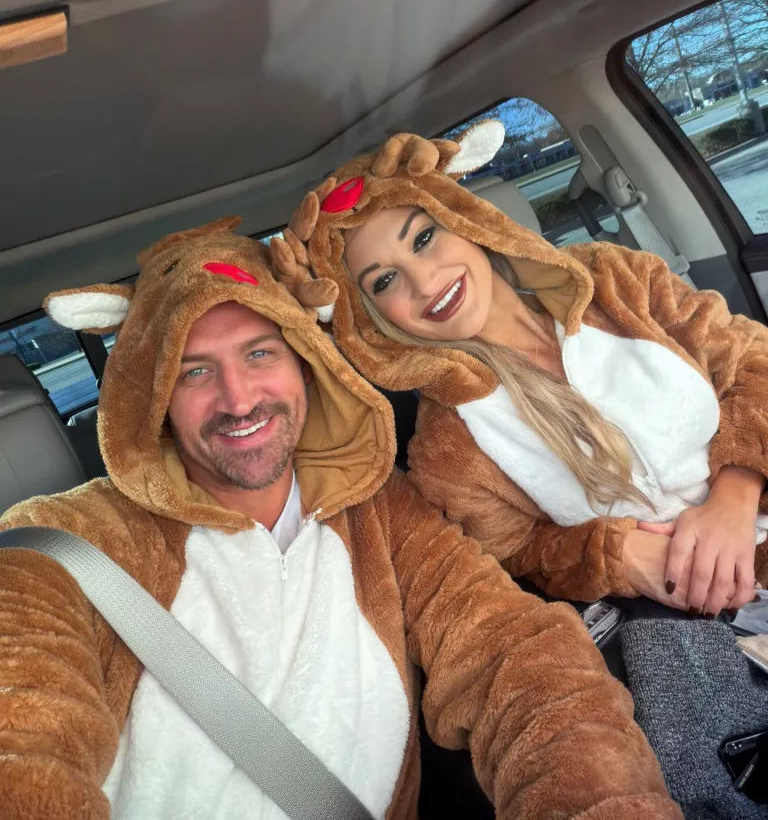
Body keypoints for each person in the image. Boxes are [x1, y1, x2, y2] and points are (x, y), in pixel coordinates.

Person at [0, 216, 681, 820]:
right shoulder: (60, 547)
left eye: (260, 353)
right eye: (193, 371)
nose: (239, 400)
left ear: (308, 364)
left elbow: (521, 662)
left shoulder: (384, 512)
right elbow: (22, 742)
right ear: (155, 398)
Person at [271, 121, 768, 620]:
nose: (424, 283)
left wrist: (736, 497)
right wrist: (618, 557)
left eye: (423, 238)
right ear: (373, 317)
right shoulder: (447, 450)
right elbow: (519, 552)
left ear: (463, 221)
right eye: (384, 282)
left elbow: (753, 358)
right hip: (702, 617)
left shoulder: (611, 280)